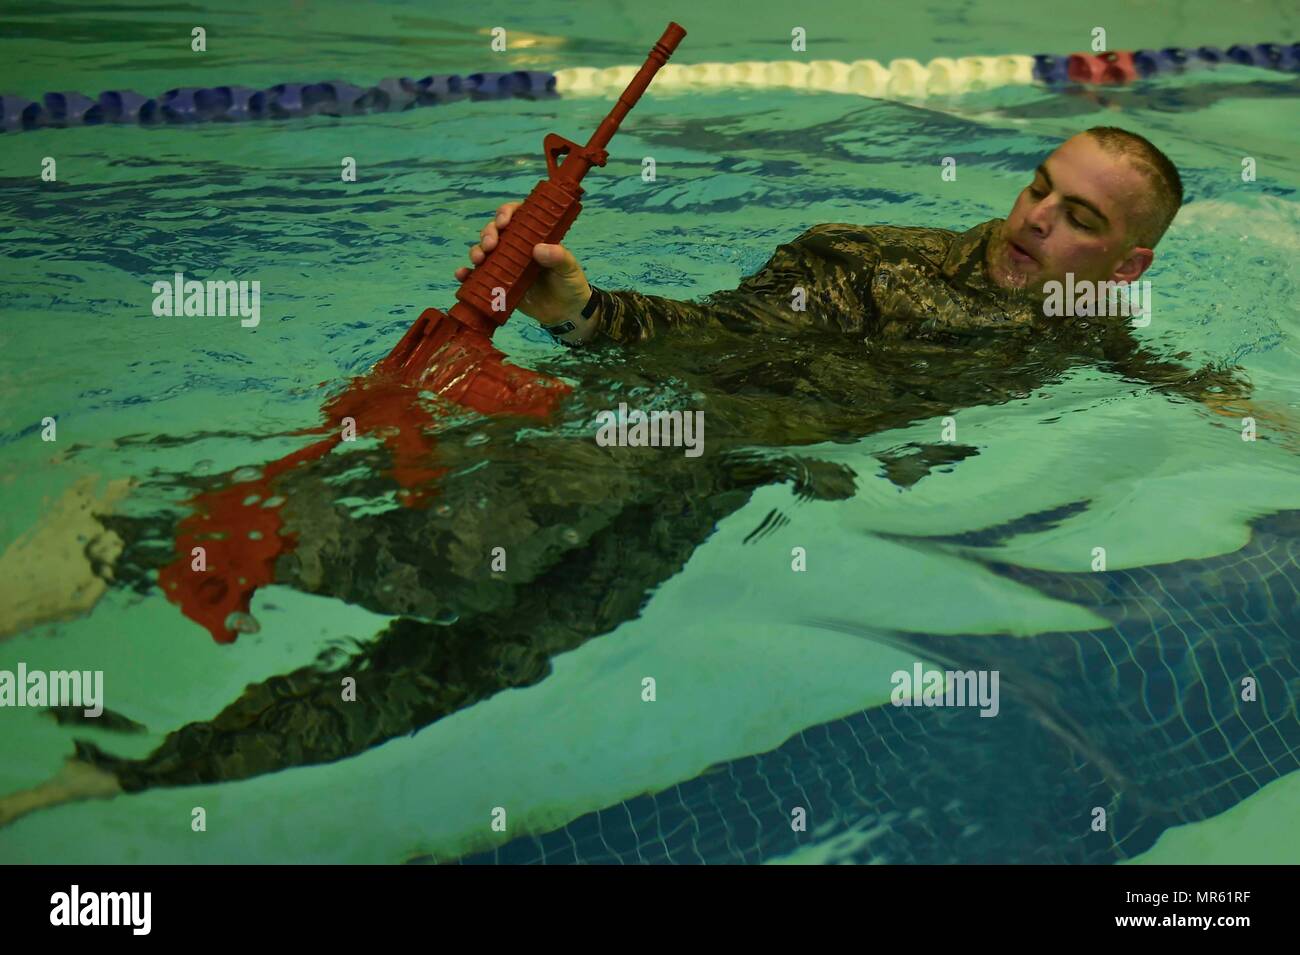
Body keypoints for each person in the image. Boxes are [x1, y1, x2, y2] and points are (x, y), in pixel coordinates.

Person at [0, 126, 1270, 831]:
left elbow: (1191, 385)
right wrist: (588, 309)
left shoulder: (1087, 329)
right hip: (652, 428)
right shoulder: (868, 259)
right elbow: (725, 333)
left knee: (496, 654)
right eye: (1037, 188)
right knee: (430, 565)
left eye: (1080, 218)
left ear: (1127, 262)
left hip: (712, 484)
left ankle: (132, 776)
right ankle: (125, 527)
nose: (1037, 218)